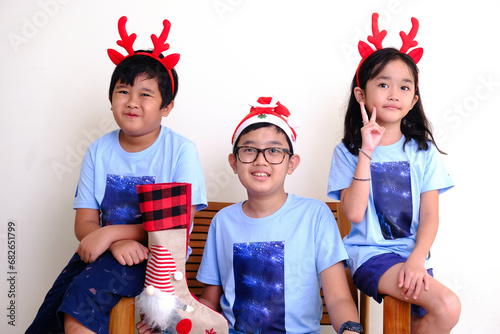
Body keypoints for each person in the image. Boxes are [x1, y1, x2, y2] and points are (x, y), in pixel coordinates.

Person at [26, 16, 207, 334]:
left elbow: (177, 227)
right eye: (123, 91)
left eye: (146, 94)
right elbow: (84, 223)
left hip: (158, 260)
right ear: (111, 100)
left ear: (167, 107)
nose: (132, 102)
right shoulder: (99, 150)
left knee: (83, 298)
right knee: (51, 312)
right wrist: (110, 243)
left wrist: (110, 234)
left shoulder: (181, 151)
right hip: (104, 253)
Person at [327, 13, 461, 334]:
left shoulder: (423, 151)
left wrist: (416, 259)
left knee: (441, 312)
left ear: (413, 99)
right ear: (361, 94)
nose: (393, 94)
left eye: (404, 87)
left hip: (414, 257)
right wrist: (367, 151)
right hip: (370, 257)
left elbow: (430, 216)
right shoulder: (347, 151)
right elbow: (355, 213)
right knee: (447, 304)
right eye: (383, 84)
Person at [196, 97, 363, 334]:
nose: (261, 160)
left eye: (274, 150)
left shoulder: (314, 216)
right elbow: (209, 303)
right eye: (249, 150)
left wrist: (350, 329)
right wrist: (170, 318)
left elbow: (338, 299)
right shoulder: (222, 221)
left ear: (292, 163)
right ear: (234, 162)